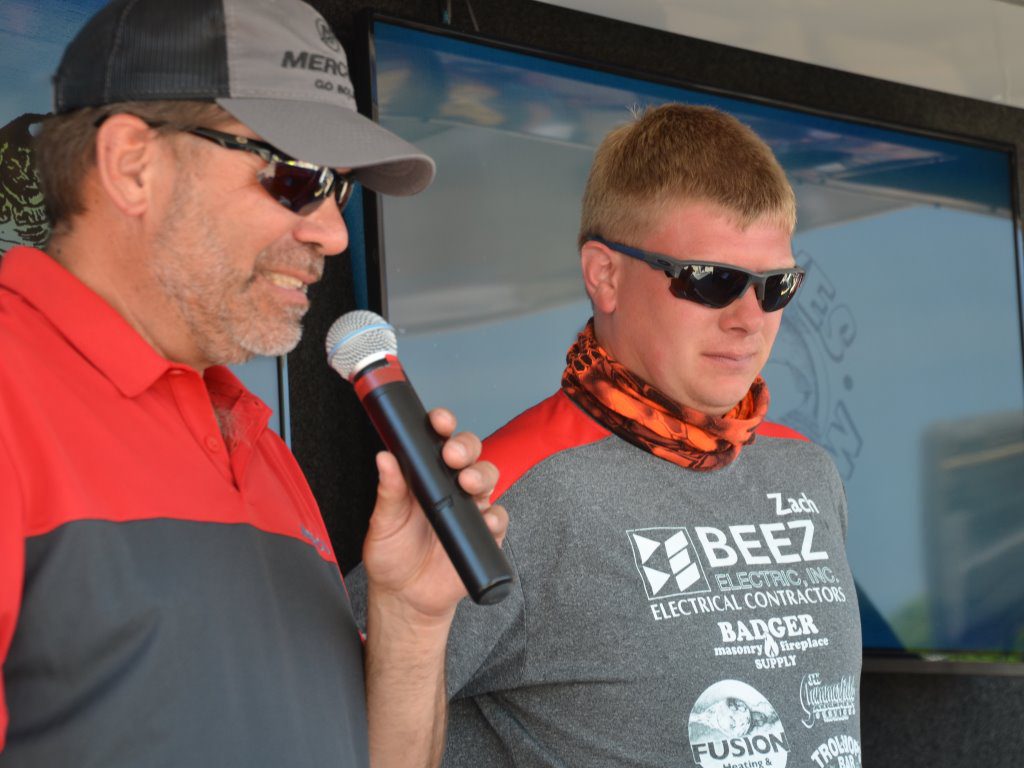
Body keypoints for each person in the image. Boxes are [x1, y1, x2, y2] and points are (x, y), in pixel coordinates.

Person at [0, 0, 506, 766]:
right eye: (297, 177)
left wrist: (411, 616)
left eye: (340, 189)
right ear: (132, 165)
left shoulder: (253, 441)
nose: (332, 233)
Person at [437, 104, 863, 765]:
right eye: (713, 281)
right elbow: (330, 721)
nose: (749, 319)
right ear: (605, 275)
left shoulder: (804, 467)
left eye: (776, 286)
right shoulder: (499, 491)